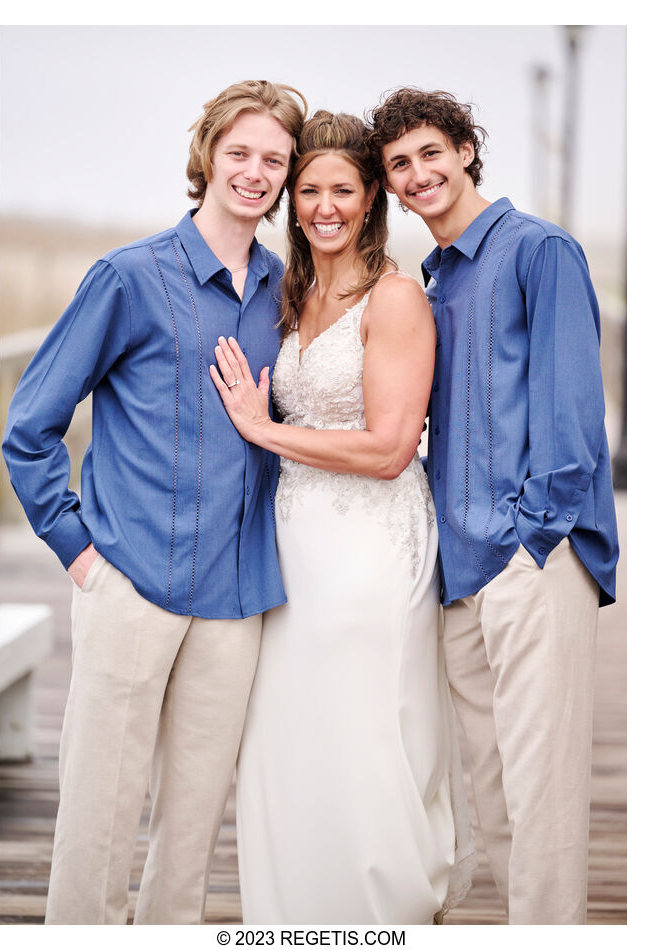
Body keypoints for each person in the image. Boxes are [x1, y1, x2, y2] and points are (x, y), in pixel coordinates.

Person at [2, 79, 306, 925]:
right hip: (130, 581)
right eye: (239, 153)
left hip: (236, 601)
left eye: (273, 160)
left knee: (191, 834)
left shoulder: (287, 293)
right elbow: (29, 427)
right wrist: (80, 553)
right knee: (98, 818)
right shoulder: (129, 278)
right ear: (206, 155)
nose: (255, 172)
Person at [210, 110, 475, 925]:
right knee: (290, 740)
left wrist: (261, 428)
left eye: (342, 191)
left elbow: (392, 446)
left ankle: (379, 918)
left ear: (370, 201)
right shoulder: (296, 295)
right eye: (308, 190)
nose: (323, 205)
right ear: (292, 202)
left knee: (362, 733)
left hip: (368, 547)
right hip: (294, 548)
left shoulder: (394, 299)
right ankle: (293, 922)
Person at [366, 87, 619, 925]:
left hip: (530, 561)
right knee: (492, 784)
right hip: (458, 565)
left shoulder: (539, 251)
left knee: (542, 790)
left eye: (430, 154)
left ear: (467, 151)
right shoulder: (433, 278)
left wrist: (530, 540)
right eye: (399, 165)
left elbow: (572, 416)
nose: (417, 174)